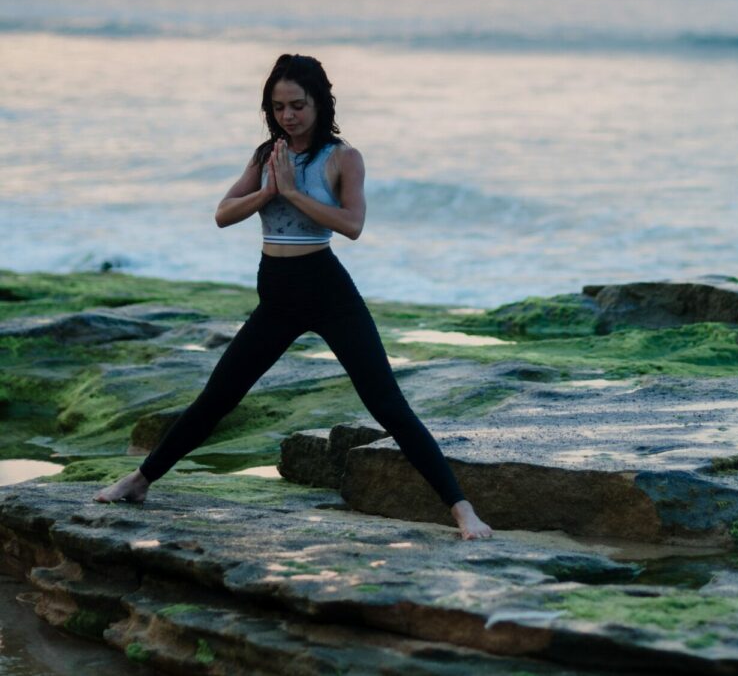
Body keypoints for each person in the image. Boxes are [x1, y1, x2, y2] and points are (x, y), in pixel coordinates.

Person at [95, 54, 493, 540]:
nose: (289, 116)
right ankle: (140, 480)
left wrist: (293, 193)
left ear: (320, 103)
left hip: (327, 291)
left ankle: (462, 511)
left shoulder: (343, 158)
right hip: (277, 296)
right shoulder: (267, 154)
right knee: (219, 396)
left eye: (298, 105)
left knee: (387, 404)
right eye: (279, 107)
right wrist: (266, 193)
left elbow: (352, 225)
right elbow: (222, 213)